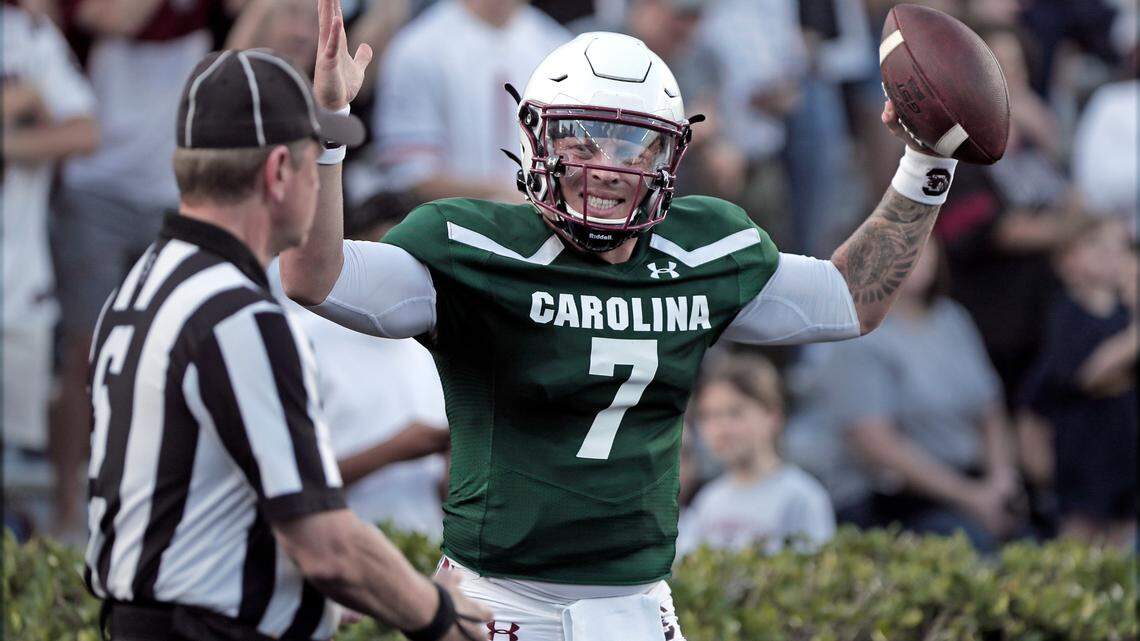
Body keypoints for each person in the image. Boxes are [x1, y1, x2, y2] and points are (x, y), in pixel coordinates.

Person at [282, 29, 968, 640]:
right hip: (501, 600)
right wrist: (330, 126)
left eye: (633, 143)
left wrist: (925, 164)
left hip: (640, 606)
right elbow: (317, 276)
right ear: (534, 136)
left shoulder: (704, 249)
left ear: (671, 156)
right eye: (582, 137)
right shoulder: (471, 245)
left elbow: (853, 298)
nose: (607, 166)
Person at [83, 5, 490, 639]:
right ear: (278, 173)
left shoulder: (143, 286)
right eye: (314, 160)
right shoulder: (236, 315)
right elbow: (325, 544)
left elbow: (207, 507)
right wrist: (443, 616)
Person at [790, 241, 1021, 552]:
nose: (916, 256)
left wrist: (1002, 478)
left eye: (925, 245)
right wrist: (971, 497)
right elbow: (876, 443)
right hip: (898, 503)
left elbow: (990, 409)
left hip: (975, 484)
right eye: (902, 247)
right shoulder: (851, 331)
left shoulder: (952, 317)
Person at [268, 193, 451, 539]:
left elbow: (445, 492)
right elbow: (277, 488)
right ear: (355, 251)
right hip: (332, 564)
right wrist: (394, 450)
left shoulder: (435, 348)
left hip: (427, 564)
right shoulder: (299, 336)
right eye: (391, 255)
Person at [2, 0, 98, 537]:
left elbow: (84, 130)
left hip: (18, 280)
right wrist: (22, 102)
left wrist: (16, 127)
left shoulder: (28, 33)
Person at [370, 0, 569, 203]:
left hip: (542, 225)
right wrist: (503, 195)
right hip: (446, 226)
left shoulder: (559, 49)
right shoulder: (418, 48)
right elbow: (410, 177)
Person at [1019, 218, 1137, 548]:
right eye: (1096, 244)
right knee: (1079, 547)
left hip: (1124, 455)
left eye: (1120, 246)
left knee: (1121, 548)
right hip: (1083, 462)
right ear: (1067, 260)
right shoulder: (1066, 314)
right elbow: (1085, 374)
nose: (1110, 254)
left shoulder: (1126, 312)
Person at [677, 353, 834, 557]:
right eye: (709, 416)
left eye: (735, 413)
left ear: (772, 416)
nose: (721, 429)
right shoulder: (709, 500)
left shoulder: (801, 497)